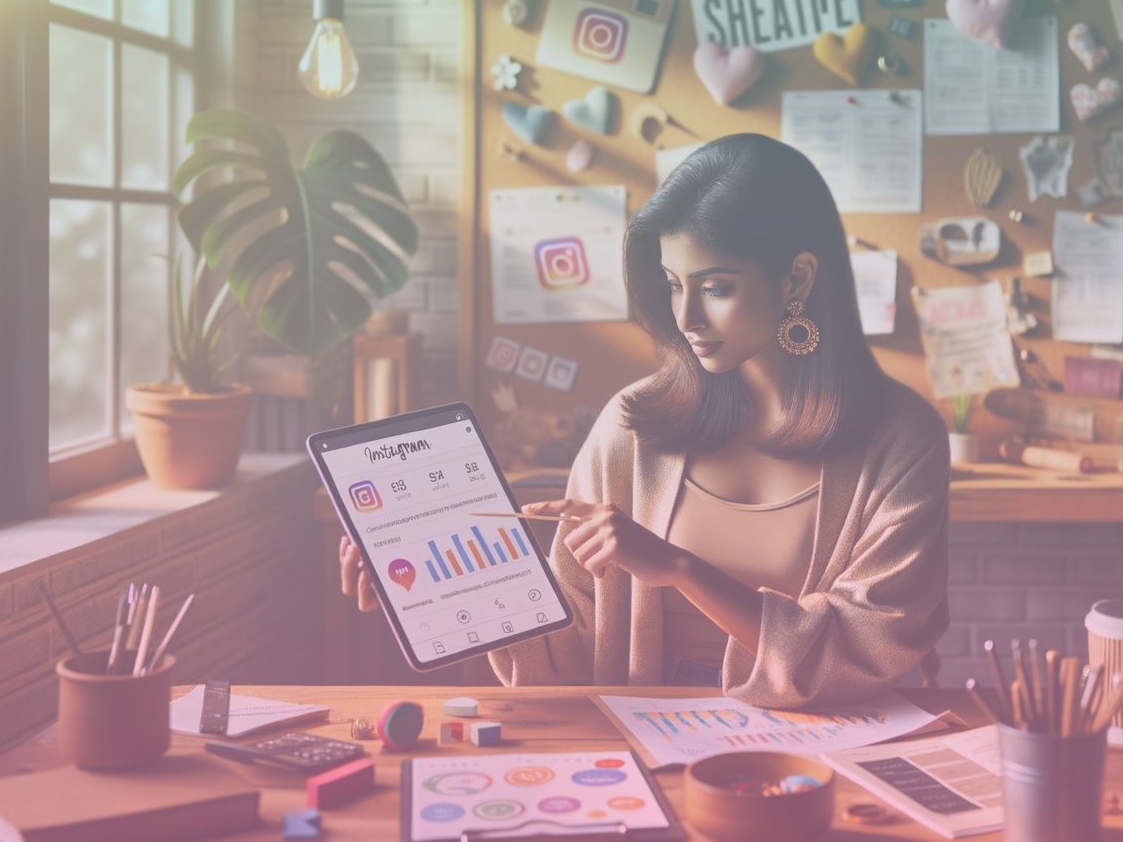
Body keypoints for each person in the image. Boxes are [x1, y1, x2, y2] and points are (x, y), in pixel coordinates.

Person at [339, 132, 949, 708]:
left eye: (715, 287)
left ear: (797, 278)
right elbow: (568, 650)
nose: (686, 317)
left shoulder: (900, 438)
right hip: (642, 740)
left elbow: (871, 642)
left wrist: (680, 569)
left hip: (818, 750)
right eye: (672, 283)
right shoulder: (632, 426)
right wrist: (432, 589)